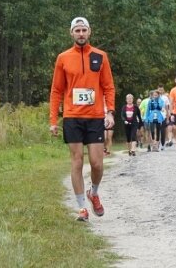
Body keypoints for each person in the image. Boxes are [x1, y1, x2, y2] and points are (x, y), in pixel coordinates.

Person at [49, 17, 116, 222]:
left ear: (89, 32)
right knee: (77, 161)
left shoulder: (100, 56)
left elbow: (108, 87)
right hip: (72, 117)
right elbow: (56, 90)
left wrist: (110, 112)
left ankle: (93, 192)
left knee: (97, 163)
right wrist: (53, 120)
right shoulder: (63, 58)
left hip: (95, 117)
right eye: (77, 30)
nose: (80, 34)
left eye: (83, 30)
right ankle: (81, 209)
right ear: (71, 33)